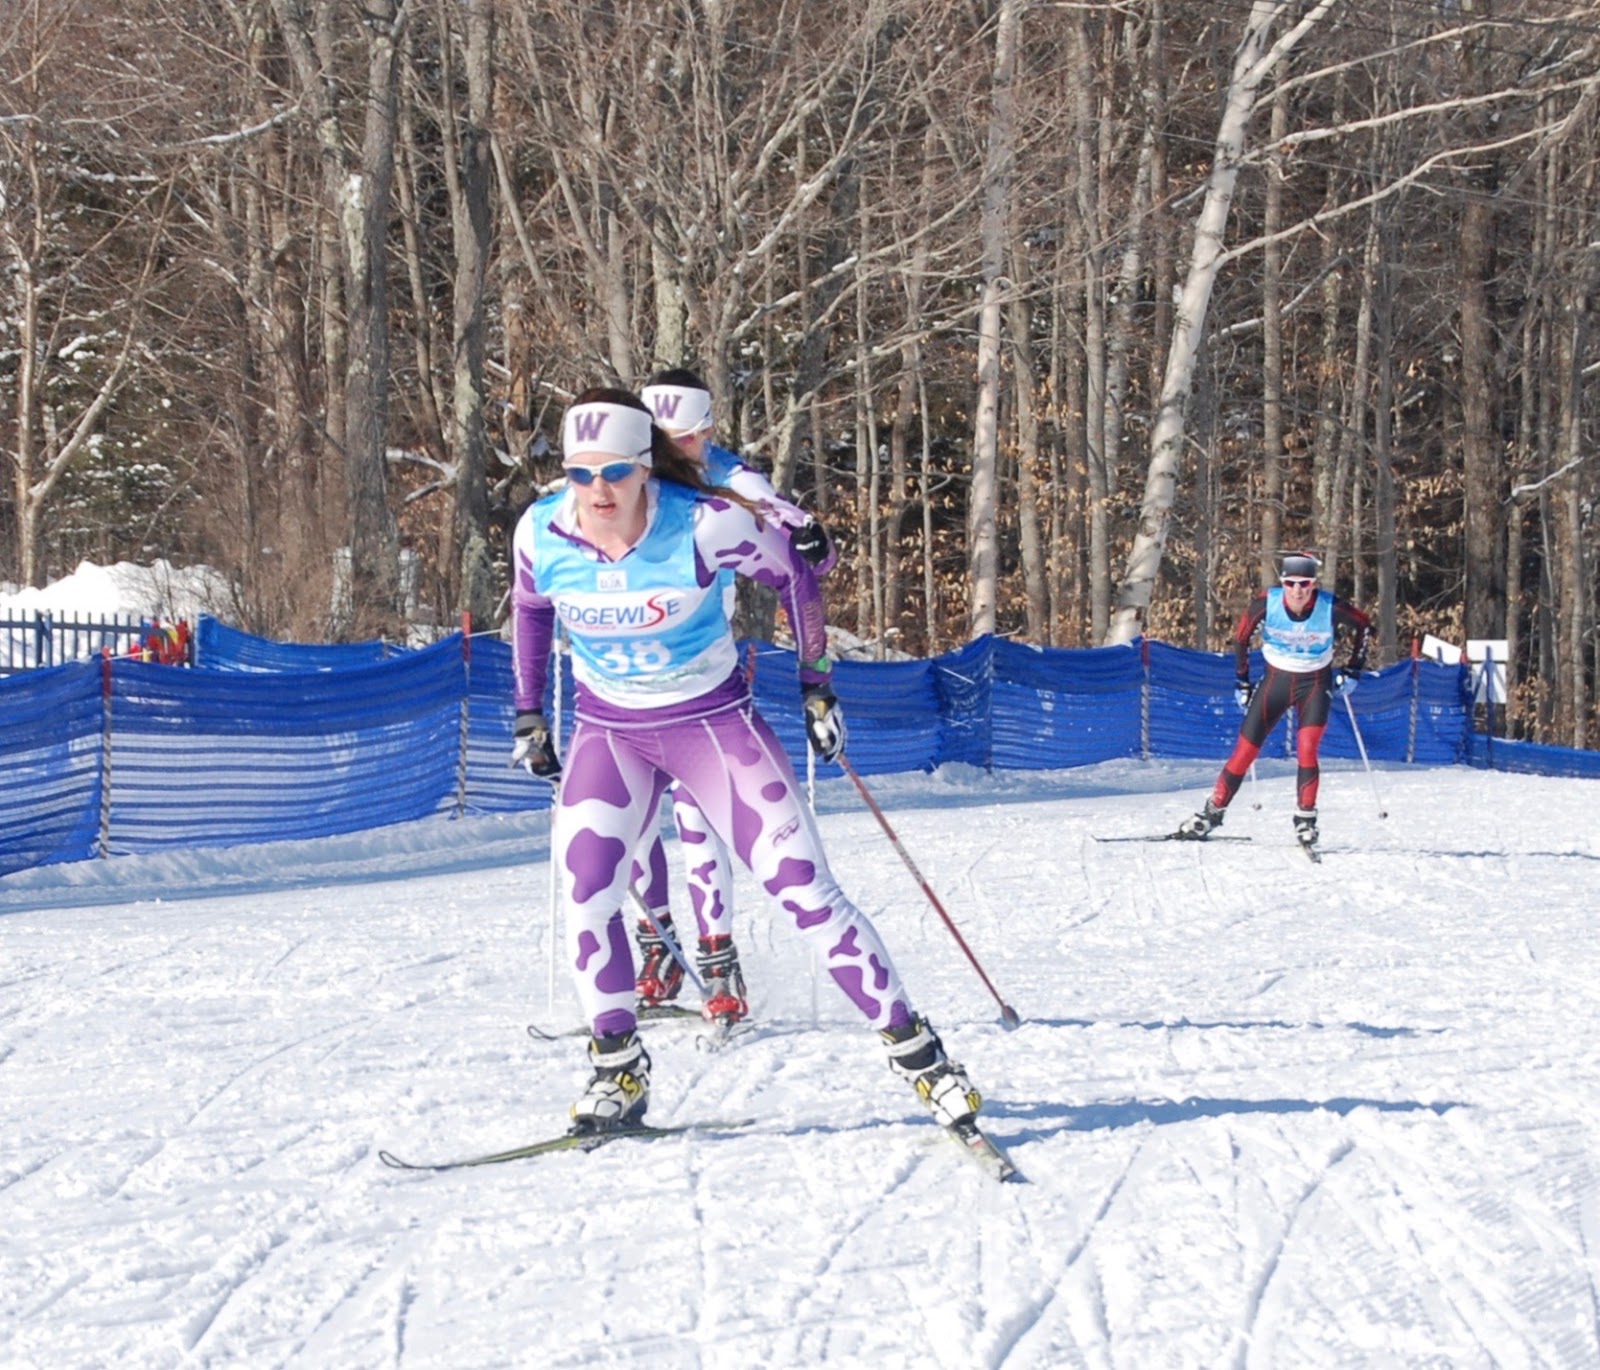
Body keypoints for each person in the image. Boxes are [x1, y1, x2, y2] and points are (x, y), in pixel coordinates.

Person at [509, 386, 982, 1136]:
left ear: (646, 467)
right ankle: (616, 1069)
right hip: (610, 733)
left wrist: (817, 686)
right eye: (580, 475)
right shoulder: (540, 532)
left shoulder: (705, 521)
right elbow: (531, 611)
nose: (597, 492)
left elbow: (797, 576)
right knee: (587, 889)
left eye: (615, 474)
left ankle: (922, 1059)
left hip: (712, 727)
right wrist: (530, 711)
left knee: (804, 891)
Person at [617, 368, 837, 1026]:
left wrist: (811, 537)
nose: (672, 451)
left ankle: (718, 963)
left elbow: (799, 545)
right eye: (660, 438)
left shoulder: (728, 477)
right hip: (622, 686)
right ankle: (656, 948)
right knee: (627, 825)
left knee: (696, 819)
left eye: (684, 438)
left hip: (702, 683)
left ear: (705, 432)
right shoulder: (620, 477)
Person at [1177, 551, 1372, 849]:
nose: (1298, 591)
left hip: (1315, 683)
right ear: (1283, 582)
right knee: (1245, 751)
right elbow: (1241, 639)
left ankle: (1306, 820)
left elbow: (1364, 625)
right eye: (1292, 583)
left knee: (1307, 749)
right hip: (1275, 681)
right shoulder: (1266, 602)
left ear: (1313, 585)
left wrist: (1353, 669)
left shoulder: (1328, 605)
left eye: (1305, 584)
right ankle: (1211, 814)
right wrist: (1242, 681)